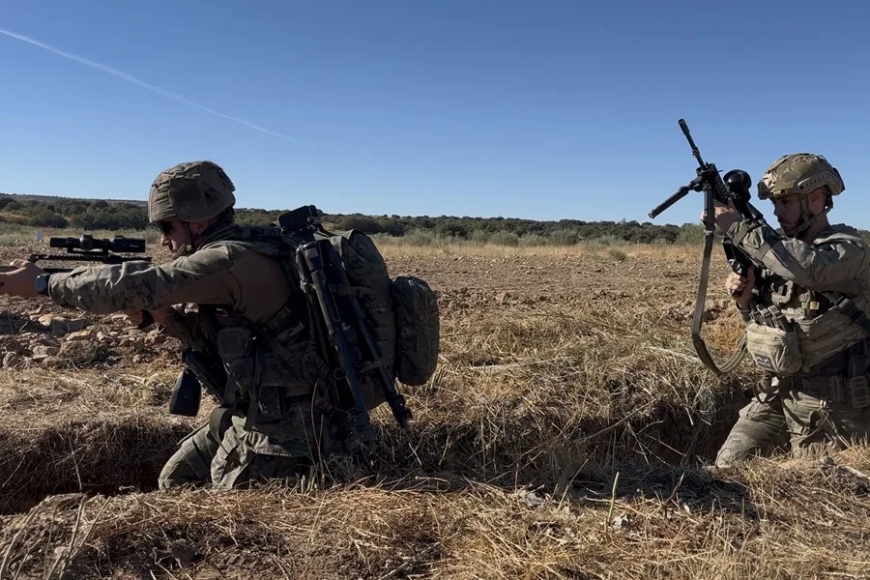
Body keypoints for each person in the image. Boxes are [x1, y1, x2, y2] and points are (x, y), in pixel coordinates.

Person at [0, 160, 362, 489]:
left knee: (220, 513)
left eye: (166, 226)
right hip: (256, 413)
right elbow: (232, 341)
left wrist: (41, 284)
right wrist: (165, 318)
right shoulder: (251, 248)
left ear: (198, 222)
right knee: (175, 479)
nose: (163, 239)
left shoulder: (229, 260)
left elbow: (137, 284)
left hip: (291, 434)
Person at [708, 152, 870, 465]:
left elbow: (806, 268)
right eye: (774, 204)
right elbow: (771, 322)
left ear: (816, 199)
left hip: (831, 406)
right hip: (777, 394)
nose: (778, 212)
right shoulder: (778, 254)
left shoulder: (849, 248)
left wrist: (736, 226)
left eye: (786, 202)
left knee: (816, 486)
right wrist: (744, 300)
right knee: (727, 469)